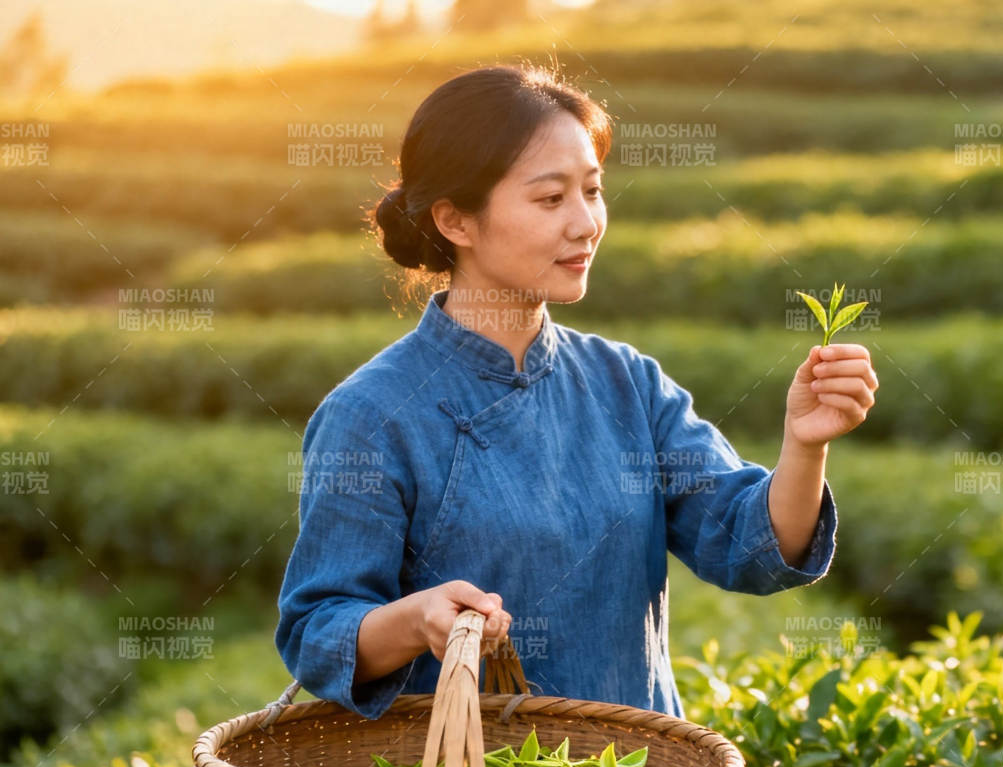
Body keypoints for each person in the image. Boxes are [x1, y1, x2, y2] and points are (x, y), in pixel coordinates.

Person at [274, 64, 878, 720]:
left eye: (593, 191)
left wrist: (805, 445)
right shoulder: (372, 415)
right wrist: (416, 619)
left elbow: (752, 549)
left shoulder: (627, 383)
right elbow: (317, 632)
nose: (586, 223)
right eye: (551, 198)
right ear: (456, 220)